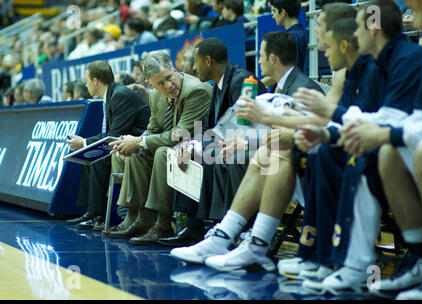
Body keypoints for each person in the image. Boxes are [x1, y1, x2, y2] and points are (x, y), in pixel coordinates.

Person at [291, 0, 422, 294]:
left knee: (361, 157)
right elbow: (373, 122)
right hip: (406, 143)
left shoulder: (407, 59)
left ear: (373, 28)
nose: (353, 34)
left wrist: (331, 116)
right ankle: (331, 257)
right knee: (324, 151)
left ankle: (354, 262)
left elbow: (384, 123)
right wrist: (327, 135)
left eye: (358, 27)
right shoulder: (379, 63)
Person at [169, 31, 325, 270]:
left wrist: (247, 143)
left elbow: (304, 134)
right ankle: (222, 231)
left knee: (227, 155)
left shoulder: (299, 87)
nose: (258, 61)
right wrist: (194, 144)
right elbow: (224, 127)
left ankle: (235, 232)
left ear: (272, 58)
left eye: (260, 56)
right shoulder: (279, 87)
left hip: (308, 159)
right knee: (220, 152)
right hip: (278, 151)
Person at [333, 0, 422, 299]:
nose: (408, 12)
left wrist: (337, 118)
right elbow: (420, 120)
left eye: (360, 26)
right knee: (382, 152)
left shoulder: (411, 57)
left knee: (383, 152)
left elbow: (419, 125)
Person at [158, 37, 266, 247]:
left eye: (195, 62)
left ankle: (222, 227)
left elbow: (242, 128)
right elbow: (208, 129)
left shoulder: (244, 82)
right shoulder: (217, 85)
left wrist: (197, 147)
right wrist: (188, 145)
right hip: (228, 144)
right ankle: (193, 226)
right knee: (183, 150)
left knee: (206, 156)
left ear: (208, 61)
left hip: (250, 147)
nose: (193, 67)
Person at [105, 51, 212, 245]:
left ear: (174, 69)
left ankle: (163, 224)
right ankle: (141, 219)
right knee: (135, 154)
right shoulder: (155, 96)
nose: (168, 86)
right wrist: (131, 144)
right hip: (176, 148)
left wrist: (138, 141)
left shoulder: (196, 90)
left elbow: (180, 134)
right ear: (151, 84)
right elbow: (152, 128)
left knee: (162, 153)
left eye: (169, 78)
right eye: (160, 83)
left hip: (202, 150)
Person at [65, 61, 151, 230]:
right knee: (88, 155)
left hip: (140, 143)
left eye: (87, 80)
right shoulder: (111, 94)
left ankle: (98, 214)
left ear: (96, 81)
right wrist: (85, 145)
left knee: (97, 157)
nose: (86, 84)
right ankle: (90, 211)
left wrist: (83, 142)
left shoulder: (119, 95)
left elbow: (114, 134)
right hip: (127, 140)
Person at [269, 0, 307, 78]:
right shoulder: (298, 34)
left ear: (283, 13)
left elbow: (287, 72)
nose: (273, 16)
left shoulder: (291, 37)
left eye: (274, 11)